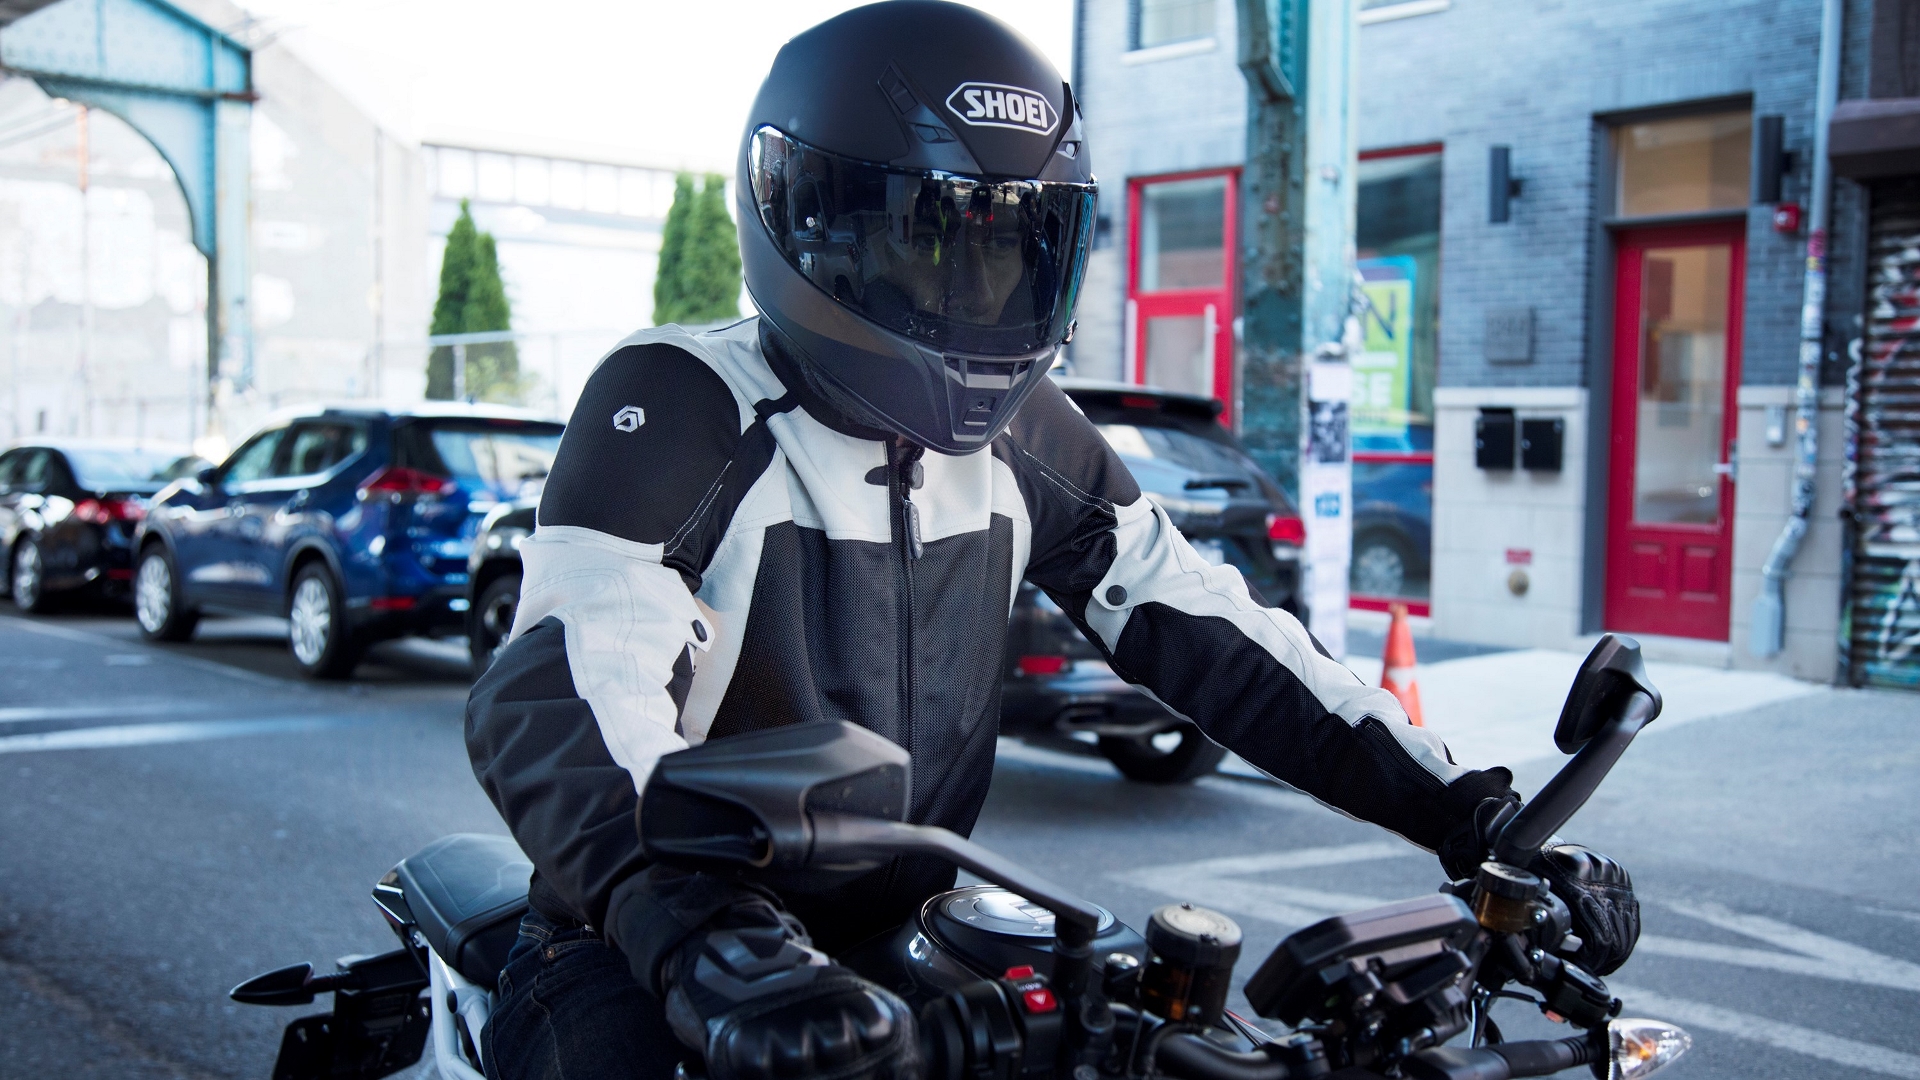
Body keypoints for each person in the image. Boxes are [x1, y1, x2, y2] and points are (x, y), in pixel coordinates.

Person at [464, 4, 1640, 1079]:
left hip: (897, 937)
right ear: (811, 222)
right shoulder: (682, 402)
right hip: (639, 935)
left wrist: (1476, 817)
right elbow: (572, 682)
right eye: (933, 241)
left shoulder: (1027, 437)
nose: (979, 289)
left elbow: (1214, 630)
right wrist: (699, 930)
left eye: (1016, 247)